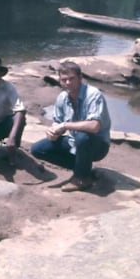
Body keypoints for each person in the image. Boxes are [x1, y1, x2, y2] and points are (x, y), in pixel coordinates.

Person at [31, 60, 111, 192]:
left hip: (98, 145)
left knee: (82, 136)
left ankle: (81, 179)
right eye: (64, 80)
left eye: (72, 78)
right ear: (60, 81)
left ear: (80, 78)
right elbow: (57, 123)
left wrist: (65, 125)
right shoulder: (62, 97)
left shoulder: (93, 94)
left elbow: (94, 126)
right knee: (38, 149)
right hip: (75, 141)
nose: (68, 83)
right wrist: (53, 133)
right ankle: (84, 169)